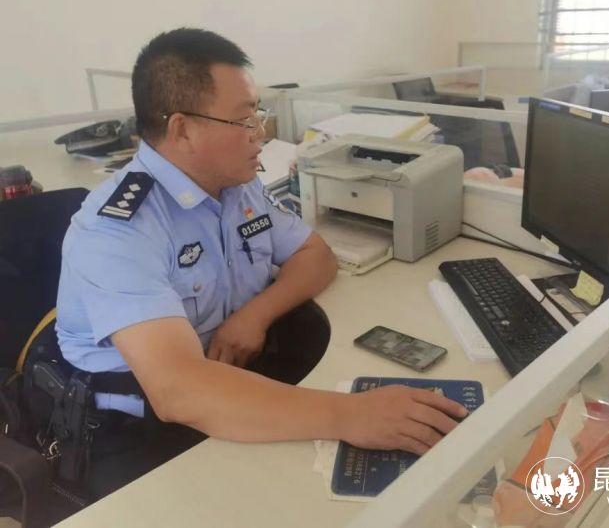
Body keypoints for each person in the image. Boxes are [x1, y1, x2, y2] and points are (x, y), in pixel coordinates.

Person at [54, 28, 467, 496]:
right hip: (133, 428)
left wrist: (254, 316)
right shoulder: (117, 230)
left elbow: (316, 256)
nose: (261, 133)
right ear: (182, 129)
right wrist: (350, 414)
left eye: (259, 114)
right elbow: (176, 391)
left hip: (228, 384)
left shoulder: (234, 185)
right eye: (245, 119)